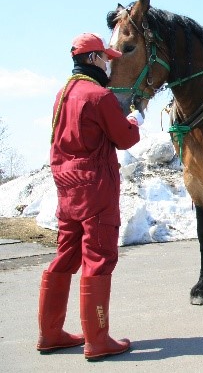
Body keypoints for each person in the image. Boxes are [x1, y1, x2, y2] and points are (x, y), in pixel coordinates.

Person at [37, 33, 143, 360]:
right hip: (96, 189)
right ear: (94, 59)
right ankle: (97, 339)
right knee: (98, 258)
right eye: (107, 58)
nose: (110, 64)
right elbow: (124, 138)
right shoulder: (98, 96)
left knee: (66, 256)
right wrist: (136, 117)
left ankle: (50, 333)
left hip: (67, 187)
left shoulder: (62, 94)